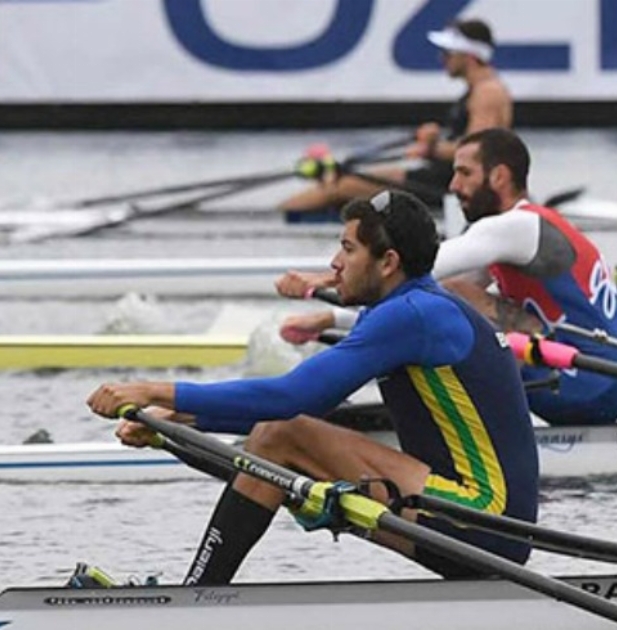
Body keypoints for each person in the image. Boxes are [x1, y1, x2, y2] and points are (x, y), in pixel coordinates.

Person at [88, 190, 538, 585]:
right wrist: (177, 426)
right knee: (278, 439)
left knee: (285, 434)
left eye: (347, 248)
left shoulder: (413, 315)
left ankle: (194, 598)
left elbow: (291, 399)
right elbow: (312, 406)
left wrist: (154, 391)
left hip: (484, 517)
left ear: (387, 262)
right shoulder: (408, 306)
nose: (333, 264)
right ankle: (195, 596)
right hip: (475, 518)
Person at [278, 128, 617, 426]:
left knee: (451, 299)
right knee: (440, 301)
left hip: (590, 383)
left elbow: (418, 266)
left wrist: (323, 279)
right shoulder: (513, 233)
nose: (453, 186)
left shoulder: (517, 226)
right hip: (590, 385)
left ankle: (390, 419)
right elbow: (416, 293)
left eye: (464, 173)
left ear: (498, 176)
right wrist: (328, 320)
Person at [280, 19, 512, 212]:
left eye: (448, 53)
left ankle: (277, 217)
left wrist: (432, 148)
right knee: (345, 181)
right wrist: (431, 146)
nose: (442, 58)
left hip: (450, 185)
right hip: (440, 176)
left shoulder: (487, 93)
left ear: (469, 56)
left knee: (341, 186)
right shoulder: (481, 89)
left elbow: (480, 154)